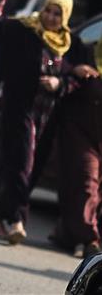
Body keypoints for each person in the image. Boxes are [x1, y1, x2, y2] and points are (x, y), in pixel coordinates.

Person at [0, 0, 95, 245]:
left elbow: (79, 75)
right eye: (48, 10)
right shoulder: (26, 31)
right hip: (20, 108)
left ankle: (0, 218)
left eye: (57, 14)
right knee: (22, 164)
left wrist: (61, 84)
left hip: (48, 116)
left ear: (66, 17)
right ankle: (17, 219)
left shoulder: (71, 45)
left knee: (31, 170)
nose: (50, 17)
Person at [53, 38, 102, 258]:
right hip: (81, 131)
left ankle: (68, 233)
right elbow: (58, 65)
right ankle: (89, 239)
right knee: (86, 181)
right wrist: (75, 70)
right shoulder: (86, 51)